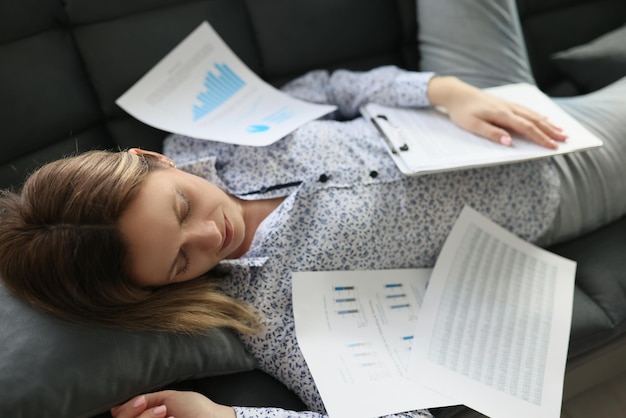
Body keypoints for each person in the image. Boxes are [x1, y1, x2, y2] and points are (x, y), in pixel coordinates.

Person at [1, 1, 625, 418]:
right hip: (555, 170)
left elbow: (326, 88)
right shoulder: (274, 314)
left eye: (182, 206)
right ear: (156, 290)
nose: (207, 234)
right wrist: (227, 417)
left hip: (453, 96)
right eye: (179, 261)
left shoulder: (198, 137)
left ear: (152, 159)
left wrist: (443, 92)